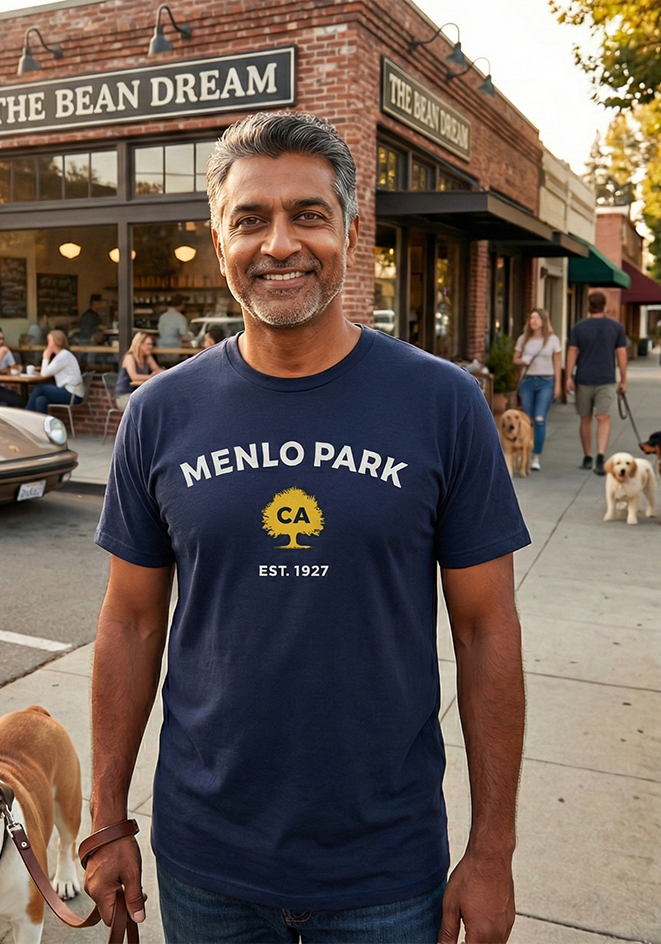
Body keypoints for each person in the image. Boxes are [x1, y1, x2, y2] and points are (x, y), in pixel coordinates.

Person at [87, 112, 529, 944]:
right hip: (204, 861)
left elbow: (485, 631)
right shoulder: (158, 413)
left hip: (384, 867)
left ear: (351, 232)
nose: (279, 243)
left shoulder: (441, 405)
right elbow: (131, 623)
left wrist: (492, 849)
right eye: (250, 219)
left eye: (309, 215)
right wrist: (106, 818)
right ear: (218, 241)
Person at [565, 290, 627, 476]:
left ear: (589, 306)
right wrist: (623, 380)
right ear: (605, 306)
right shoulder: (616, 327)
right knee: (603, 417)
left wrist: (568, 376)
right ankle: (600, 456)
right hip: (606, 379)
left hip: (583, 379)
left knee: (585, 418)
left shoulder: (579, 327)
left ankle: (588, 456)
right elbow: (621, 354)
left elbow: (572, 351)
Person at [513, 308, 562, 470]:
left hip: (546, 381)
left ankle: (536, 456)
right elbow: (515, 359)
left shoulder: (553, 340)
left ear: (543, 321)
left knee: (539, 419)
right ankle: (524, 451)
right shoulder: (523, 339)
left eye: (536, 318)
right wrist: (522, 361)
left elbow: (557, 363)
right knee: (527, 420)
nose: (533, 321)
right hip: (527, 381)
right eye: (531, 318)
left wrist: (558, 385)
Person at [25, 330, 84, 414]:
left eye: (49, 341)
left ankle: (26, 413)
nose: (48, 345)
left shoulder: (63, 356)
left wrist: (46, 357)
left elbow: (44, 374)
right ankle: (44, 422)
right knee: (40, 400)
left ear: (57, 342)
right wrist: (43, 368)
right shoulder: (63, 355)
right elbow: (49, 370)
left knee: (39, 388)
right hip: (72, 393)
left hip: (72, 394)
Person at [114, 332, 163, 410]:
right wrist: (151, 376)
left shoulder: (147, 357)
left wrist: (164, 372)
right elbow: (134, 376)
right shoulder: (130, 357)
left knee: (157, 403)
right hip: (124, 396)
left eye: (151, 345)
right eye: (148, 344)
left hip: (138, 395)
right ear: (139, 344)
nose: (150, 347)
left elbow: (157, 370)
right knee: (147, 407)